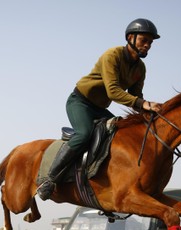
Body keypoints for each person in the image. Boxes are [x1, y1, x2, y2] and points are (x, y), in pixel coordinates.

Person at [37, 18, 163, 200]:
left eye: (150, 43)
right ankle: (49, 180)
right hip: (80, 102)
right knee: (84, 134)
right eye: (144, 40)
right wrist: (143, 104)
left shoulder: (140, 68)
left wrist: (150, 113)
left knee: (120, 134)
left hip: (99, 108)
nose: (147, 46)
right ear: (130, 38)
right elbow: (113, 92)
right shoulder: (112, 55)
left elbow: (136, 96)